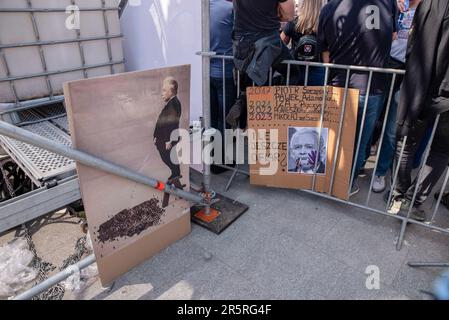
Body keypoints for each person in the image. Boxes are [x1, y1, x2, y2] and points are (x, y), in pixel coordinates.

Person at [317, 0, 398, 196]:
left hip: (340, 84)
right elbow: (393, 36)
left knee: (334, 138)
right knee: (360, 141)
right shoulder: (387, 3)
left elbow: (325, 52)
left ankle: (329, 182)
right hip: (373, 85)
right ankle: (346, 184)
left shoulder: (329, 8)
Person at [387, 0, 449, 221]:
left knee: (408, 141)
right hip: (428, 86)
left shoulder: (434, 4)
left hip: (422, 85)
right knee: (436, 149)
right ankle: (409, 199)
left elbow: (415, 46)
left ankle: (402, 197)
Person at [371, 0, 422, 193]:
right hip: (385, 64)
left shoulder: (428, 9)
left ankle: (380, 171)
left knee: (393, 127)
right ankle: (360, 162)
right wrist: (390, 10)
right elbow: (372, 29)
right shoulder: (393, 4)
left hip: (408, 71)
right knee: (372, 118)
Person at [226, 0, 295, 129]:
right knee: (294, 71)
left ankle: (244, 99)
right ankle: (279, 115)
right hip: (267, 41)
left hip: (241, 43)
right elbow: (289, 15)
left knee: (251, 86)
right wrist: (275, 12)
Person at [210, 0, 237, 173]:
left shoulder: (203, 9)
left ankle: (211, 155)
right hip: (224, 71)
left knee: (212, 116)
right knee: (224, 117)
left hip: (206, 71)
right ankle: (220, 161)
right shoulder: (229, 9)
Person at [280, 0, 327, 86]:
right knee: (317, 99)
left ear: (303, 5)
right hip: (318, 72)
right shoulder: (324, 25)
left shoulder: (293, 23)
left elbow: (279, 44)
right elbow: (326, 57)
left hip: (295, 70)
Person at [153, 77, 182, 183]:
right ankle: (176, 174)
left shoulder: (173, 105)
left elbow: (171, 124)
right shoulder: (171, 103)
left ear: (172, 91)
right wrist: (156, 136)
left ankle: (176, 174)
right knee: (167, 156)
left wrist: (169, 140)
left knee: (167, 156)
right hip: (164, 138)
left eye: (164, 90)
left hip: (167, 139)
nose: (162, 93)